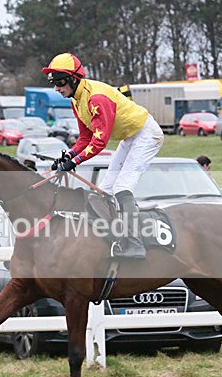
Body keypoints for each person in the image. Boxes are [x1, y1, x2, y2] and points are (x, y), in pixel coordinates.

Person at [43, 52, 164, 258]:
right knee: (105, 189)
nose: (57, 88)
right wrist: (68, 156)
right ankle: (113, 236)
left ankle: (135, 244)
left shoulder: (96, 99)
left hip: (146, 134)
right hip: (129, 137)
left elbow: (99, 142)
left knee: (122, 187)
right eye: (54, 83)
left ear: (74, 78)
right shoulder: (76, 99)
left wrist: (75, 162)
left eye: (60, 82)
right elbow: (85, 138)